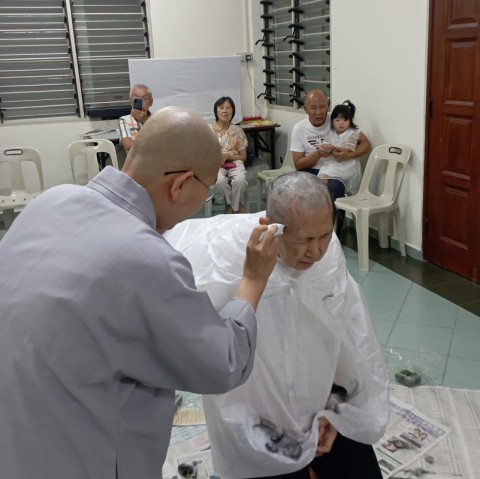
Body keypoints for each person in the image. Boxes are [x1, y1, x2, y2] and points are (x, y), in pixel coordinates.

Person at [0, 107, 280, 479]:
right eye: (206, 191)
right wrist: (253, 279)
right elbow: (224, 362)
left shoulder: (50, 201)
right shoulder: (148, 260)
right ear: (180, 185)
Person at [165, 172, 390, 479]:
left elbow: (351, 338)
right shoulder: (224, 257)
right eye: (303, 240)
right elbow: (210, 354)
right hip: (257, 420)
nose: (316, 252)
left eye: (325, 236)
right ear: (270, 227)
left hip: (321, 404)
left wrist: (336, 411)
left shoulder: (327, 256)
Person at [290, 90, 371, 234]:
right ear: (306, 109)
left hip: (337, 169)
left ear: (328, 105)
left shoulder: (336, 119)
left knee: (335, 187)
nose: (318, 112)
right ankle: (307, 227)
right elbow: (299, 164)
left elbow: (365, 144)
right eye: (313, 108)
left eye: (322, 107)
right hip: (312, 170)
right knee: (300, 185)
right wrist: (318, 154)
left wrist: (348, 156)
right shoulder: (299, 129)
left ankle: (336, 229)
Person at [210, 96, 248, 214]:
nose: (225, 111)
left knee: (240, 180)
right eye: (221, 108)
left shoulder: (238, 131)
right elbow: (204, 155)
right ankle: (233, 205)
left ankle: (231, 207)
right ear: (216, 111)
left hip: (235, 162)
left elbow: (243, 157)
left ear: (233, 111)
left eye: (228, 108)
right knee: (219, 181)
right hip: (216, 163)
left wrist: (229, 156)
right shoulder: (208, 130)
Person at [118, 83, 154, 153]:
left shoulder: (157, 118)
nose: (141, 103)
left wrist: (145, 121)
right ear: (131, 102)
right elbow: (128, 145)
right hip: (136, 158)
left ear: (151, 102)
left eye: (144, 99)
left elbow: (163, 142)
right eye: (136, 100)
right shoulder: (124, 120)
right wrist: (152, 143)